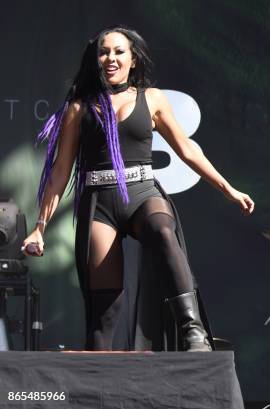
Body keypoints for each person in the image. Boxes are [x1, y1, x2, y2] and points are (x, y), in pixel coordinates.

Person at [21, 25, 254, 352]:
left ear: (133, 60)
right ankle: (96, 373)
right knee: (104, 309)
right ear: (96, 59)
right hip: (100, 203)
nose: (110, 58)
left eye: (119, 52)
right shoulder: (79, 107)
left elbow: (187, 150)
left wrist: (227, 189)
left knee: (161, 230)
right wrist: (39, 227)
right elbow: (61, 171)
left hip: (142, 191)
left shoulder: (152, 99)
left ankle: (194, 333)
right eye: (104, 52)